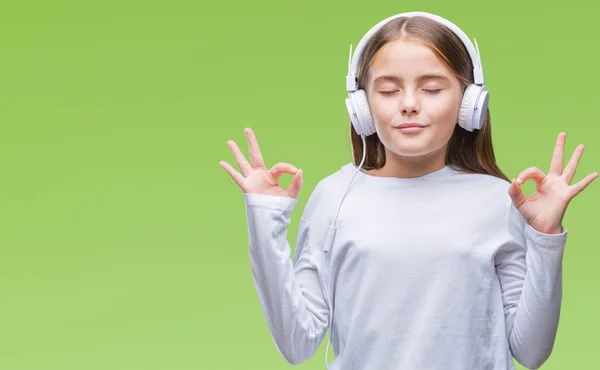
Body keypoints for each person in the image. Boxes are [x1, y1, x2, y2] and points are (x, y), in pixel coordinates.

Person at [219, 11, 597, 370]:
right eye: (388, 90)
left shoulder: (500, 200)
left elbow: (531, 352)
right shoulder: (334, 198)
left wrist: (545, 236)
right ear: (361, 106)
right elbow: (296, 343)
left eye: (432, 88)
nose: (410, 105)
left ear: (469, 103)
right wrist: (264, 220)